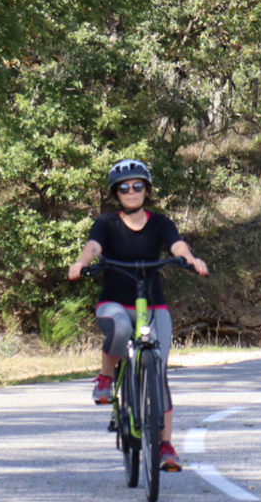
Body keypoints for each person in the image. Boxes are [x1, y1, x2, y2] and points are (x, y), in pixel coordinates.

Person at [68, 158, 208, 472]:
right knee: (118, 329)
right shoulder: (106, 223)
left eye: (137, 186)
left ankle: (166, 446)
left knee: (157, 371)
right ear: (115, 193)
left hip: (153, 305)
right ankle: (106, 378)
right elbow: (93, 247)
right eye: (124, 187)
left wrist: (189, 258)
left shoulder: (159, 222)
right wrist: (80, 263)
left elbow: (177, 245)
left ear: (146, 189)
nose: (131, 191)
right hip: (114, 303)